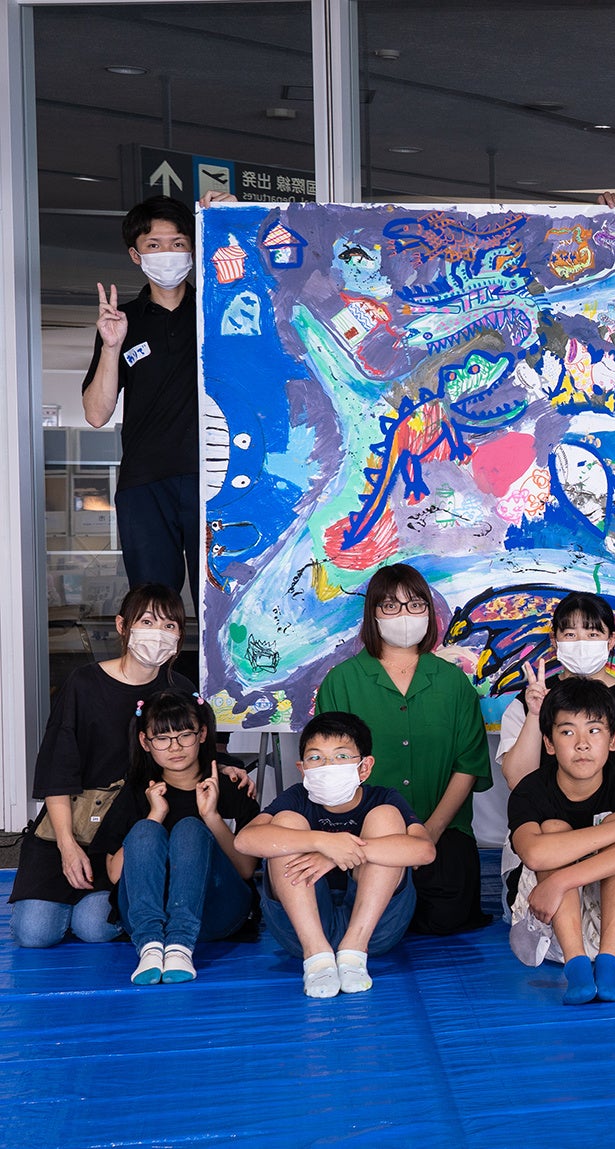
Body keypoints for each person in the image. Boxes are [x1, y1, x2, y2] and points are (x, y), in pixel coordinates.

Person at [11, 584, 196, 947]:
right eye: (147, 621)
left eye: (170, 626)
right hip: (74, 823)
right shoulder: (84, 683)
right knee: (34, 933)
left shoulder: (181, 689)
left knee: (94, 928)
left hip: (132, 831)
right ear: (122, 626)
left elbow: (194, 754)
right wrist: (66, 844)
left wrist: (225, 768)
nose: (158, 634)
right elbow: (57, 768)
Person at [315, 563, 492, 935]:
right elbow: (329, 765)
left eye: (414, 605)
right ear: (373, 614)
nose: (404, 615)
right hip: (362, 834)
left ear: (429, 612)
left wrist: (430, 830)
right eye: (390, 606)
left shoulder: (453, 682)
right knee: (369, 918)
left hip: (441, 830)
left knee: (445, 919)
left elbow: (468, 764)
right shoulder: (341, 681)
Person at [83, 192, 231, 603]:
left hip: (215, 478)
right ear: (136, 255)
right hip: (145, 483)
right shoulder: (120, 322)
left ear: (192, 249)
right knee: (153, 604)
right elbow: (96, 413)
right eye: (154, 245)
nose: (167, 253)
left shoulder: (217, 313)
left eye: (178, 243)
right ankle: (161, 671)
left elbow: (263, 279)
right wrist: (112, 346)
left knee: (222, 600)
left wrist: (232, 219)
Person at [235, 711, 435, 998]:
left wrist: (337, 854)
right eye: (316, 758)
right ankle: (317, 956)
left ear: (364, 767)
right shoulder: (295, 798)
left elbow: (424, 850)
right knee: (285, 825)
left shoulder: (383, 798)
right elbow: (245, 841)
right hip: (303, 931)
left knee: (387, 819)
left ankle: (354, 951)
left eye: (341, 756)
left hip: (374, 929)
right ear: (302, 769)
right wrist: (321, 842)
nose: (328, 765)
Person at [495, 591, 615, 913]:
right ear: (555, 640)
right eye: (570, 634)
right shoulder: (529, 701)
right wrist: (536, 714)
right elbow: (519, 782)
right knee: (552, 832)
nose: (581, 642)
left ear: (611, 639)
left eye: (592, 633)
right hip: (545, 844)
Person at [508, 678, 615, 1005]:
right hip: (548, 924)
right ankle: (576, 967)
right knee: (554, 828)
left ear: (613, 739)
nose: (582, 743)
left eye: (594, 731)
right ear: (549, 743)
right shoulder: (532, 789)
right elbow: (535, 855)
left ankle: (609, 965)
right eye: (567, 732)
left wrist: (562, 881)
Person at [103, 692, 259, 985]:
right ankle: (150, 947)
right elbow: (114, 874)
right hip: (148, 920)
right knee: (146, 830)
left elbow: (247, 869)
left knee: (189, 827)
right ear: (145, 742)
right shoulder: (138, 791)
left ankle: (180, 945)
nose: (175, 747)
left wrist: (211, 816)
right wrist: (155, 815)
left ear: (201, 734)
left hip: (215, 912)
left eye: (185, 735)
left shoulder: (231, 786)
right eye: (162, 738)